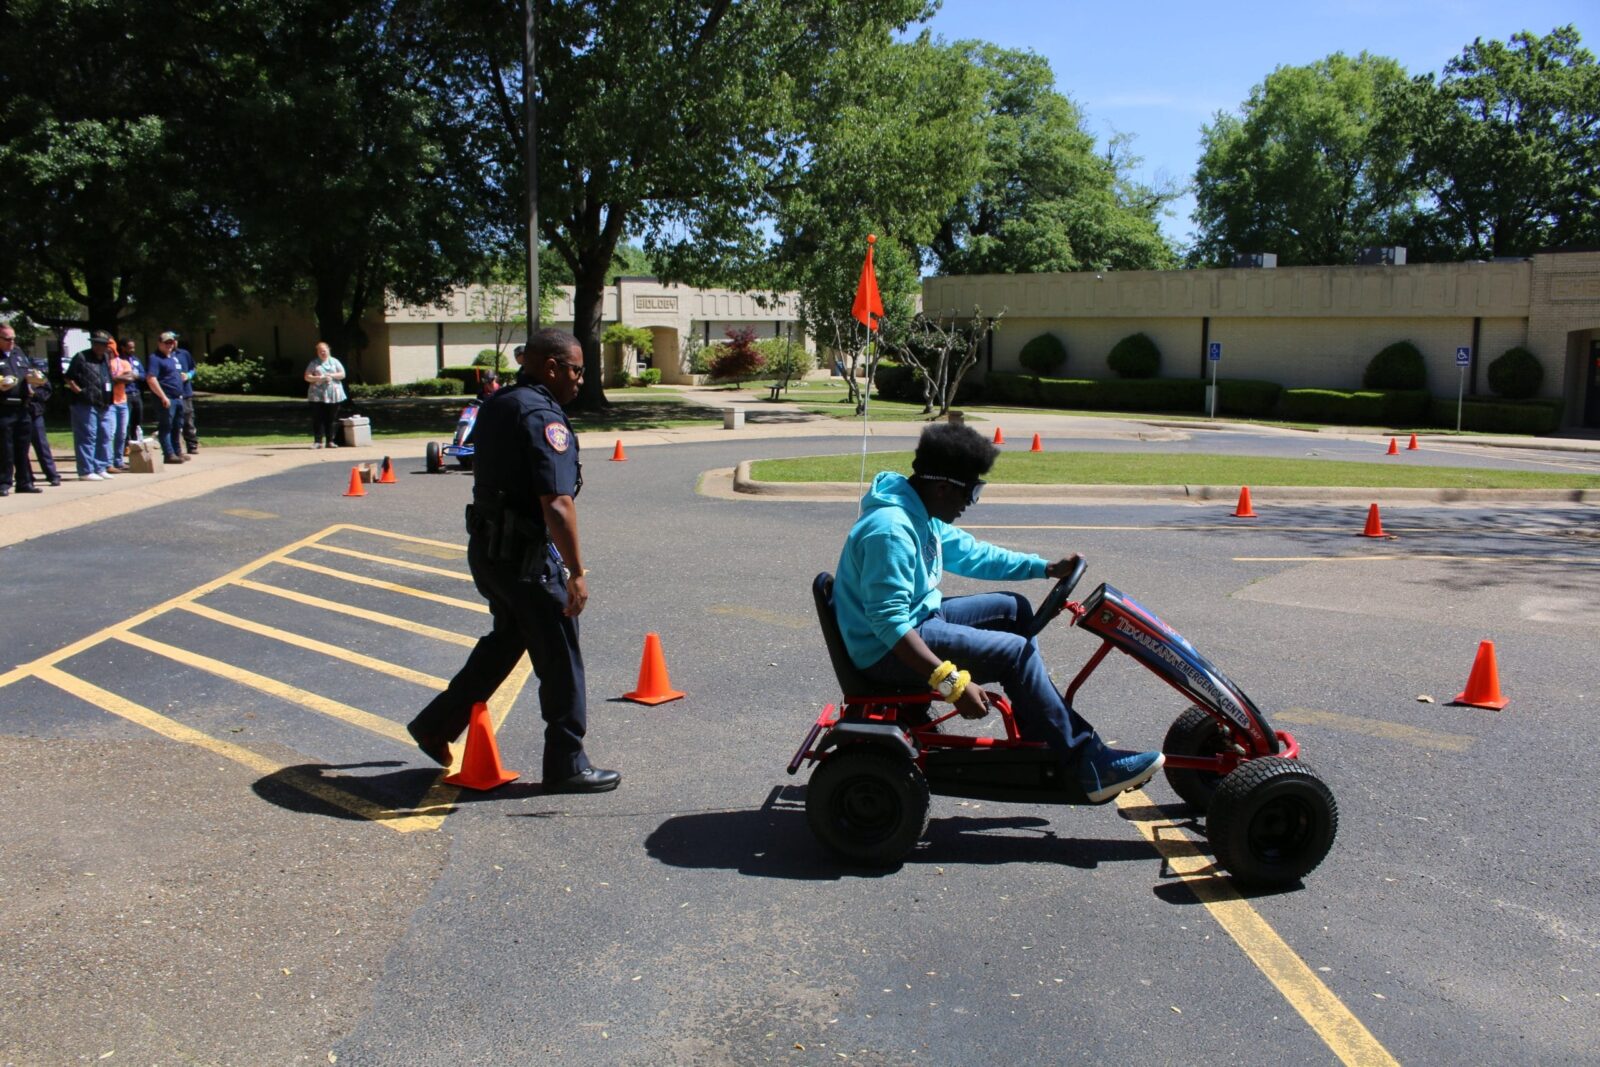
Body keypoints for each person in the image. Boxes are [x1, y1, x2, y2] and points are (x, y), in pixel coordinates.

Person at [832, 422, 1164, 804]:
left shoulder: (919, 514)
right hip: (885, 650)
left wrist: (1044, 568)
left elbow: (973, 554)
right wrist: (951, 684)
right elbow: (889, 624)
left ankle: (1038, 729)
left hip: (914, 625)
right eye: (970, 491)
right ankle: (1088, 763)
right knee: (1015, 653)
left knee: (1013, 609)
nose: (970, 503)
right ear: (942, 488)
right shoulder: (891, 531)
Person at [406, 328, 620, 794]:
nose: (581, 380)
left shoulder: (500, 403)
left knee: (507, 641)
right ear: (551, 367)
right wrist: (577, 573)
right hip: (524, 556)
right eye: (577, 370)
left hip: (489, 551)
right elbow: (557, 503)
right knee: (560, 655)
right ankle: (567, 763)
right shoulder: (543, 415)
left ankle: (436, 725)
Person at [64, 330, 117, 480]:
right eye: (97, 343)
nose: (100, 347)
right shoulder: (81, 357)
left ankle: (100, 467)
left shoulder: (105, 358)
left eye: (103, 344)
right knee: (87, 436)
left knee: (104, 435)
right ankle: (86, 470)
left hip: (104, 403)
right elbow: (69, 378)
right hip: (85, 403)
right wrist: (80, 392)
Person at [0, 323, 44, 496]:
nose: (12, 342)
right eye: (7, 339)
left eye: (13, 338)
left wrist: (34, 380)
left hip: (22, 407)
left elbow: (26, 372)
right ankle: (4, 482)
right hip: (4, 408)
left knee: (23, 447)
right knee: (5, 447)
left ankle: (24, 482)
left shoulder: (18, 353)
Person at [145, 331, 188, 463]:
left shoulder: (172, 357)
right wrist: (163, 396)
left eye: (171, 342)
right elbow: (151, 379)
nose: (169, 345)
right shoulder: (155, 358)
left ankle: (177, 451)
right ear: (159, 343)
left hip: (178, 397)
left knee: (177, 426)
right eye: (166, 342)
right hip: (166, 398)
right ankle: (169, 454)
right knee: (166, 426)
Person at [23, 350, 61, 487]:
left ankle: (52, 475)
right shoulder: (11, 373)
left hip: (35, 413)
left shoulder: (35, 373)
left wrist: (33, 394)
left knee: (42, 445)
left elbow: (46, 391)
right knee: (21, 449)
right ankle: (27, 477)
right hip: (18, 413)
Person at [304, 341, 347, 448]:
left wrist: (331, 375)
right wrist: (319, 378)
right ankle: (318, 441)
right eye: (320, 351)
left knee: (331, 418)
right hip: (316, 395)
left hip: (333, 394)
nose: (322, 353)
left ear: (328, 350)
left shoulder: (335, 362)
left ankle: (330, 441)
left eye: (324, 350)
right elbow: (307, 376)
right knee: (317, 418)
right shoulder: (314, 363)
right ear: (317, 352)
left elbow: (343, 374)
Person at [107, 339, 136, 470]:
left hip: (122, 401)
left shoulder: (123, 363)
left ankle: (118, 461)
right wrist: (119, 378)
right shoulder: (104, 364)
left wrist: (113, 378)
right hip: (109, 402)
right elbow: (103, 379)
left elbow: (130, 378)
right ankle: (108, 463)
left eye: (110, 348)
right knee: (110, 433)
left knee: (122, 433)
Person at [172, 334, 200, 454]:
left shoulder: (184, 354)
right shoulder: (161, 357)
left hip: (186, 391)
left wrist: (188, 375)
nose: (173, 343)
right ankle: (175, 447)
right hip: (171, 394)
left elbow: (193, 369)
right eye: (170, 341)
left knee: (188, 419)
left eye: (175, 340)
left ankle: (192, 444)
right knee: (174, 421)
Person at [119, 337, 146, 450]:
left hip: (137, 393)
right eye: (130, 347)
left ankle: (136, 444)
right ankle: (126, 445)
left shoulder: (135, 360)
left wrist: (137, 376)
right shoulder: (119, 361)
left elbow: (144, 375)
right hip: (126, 394)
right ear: (123, 347)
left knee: (137, 421)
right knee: (126, 422)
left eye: (133, 347)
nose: (132, 349)